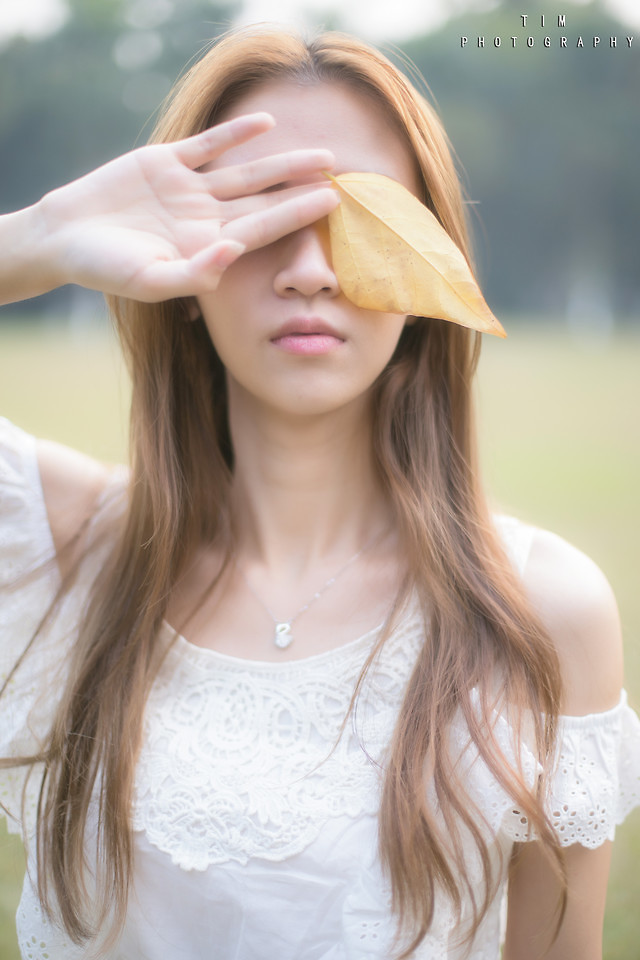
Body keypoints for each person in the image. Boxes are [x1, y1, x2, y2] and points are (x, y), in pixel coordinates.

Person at [0, 25, 638, 960]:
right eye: (257, 212)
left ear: (428, 270)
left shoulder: (541, 611)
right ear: (177, 265)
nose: (308, 268)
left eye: (361, 220)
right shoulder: (49, 547)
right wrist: (39, 235)